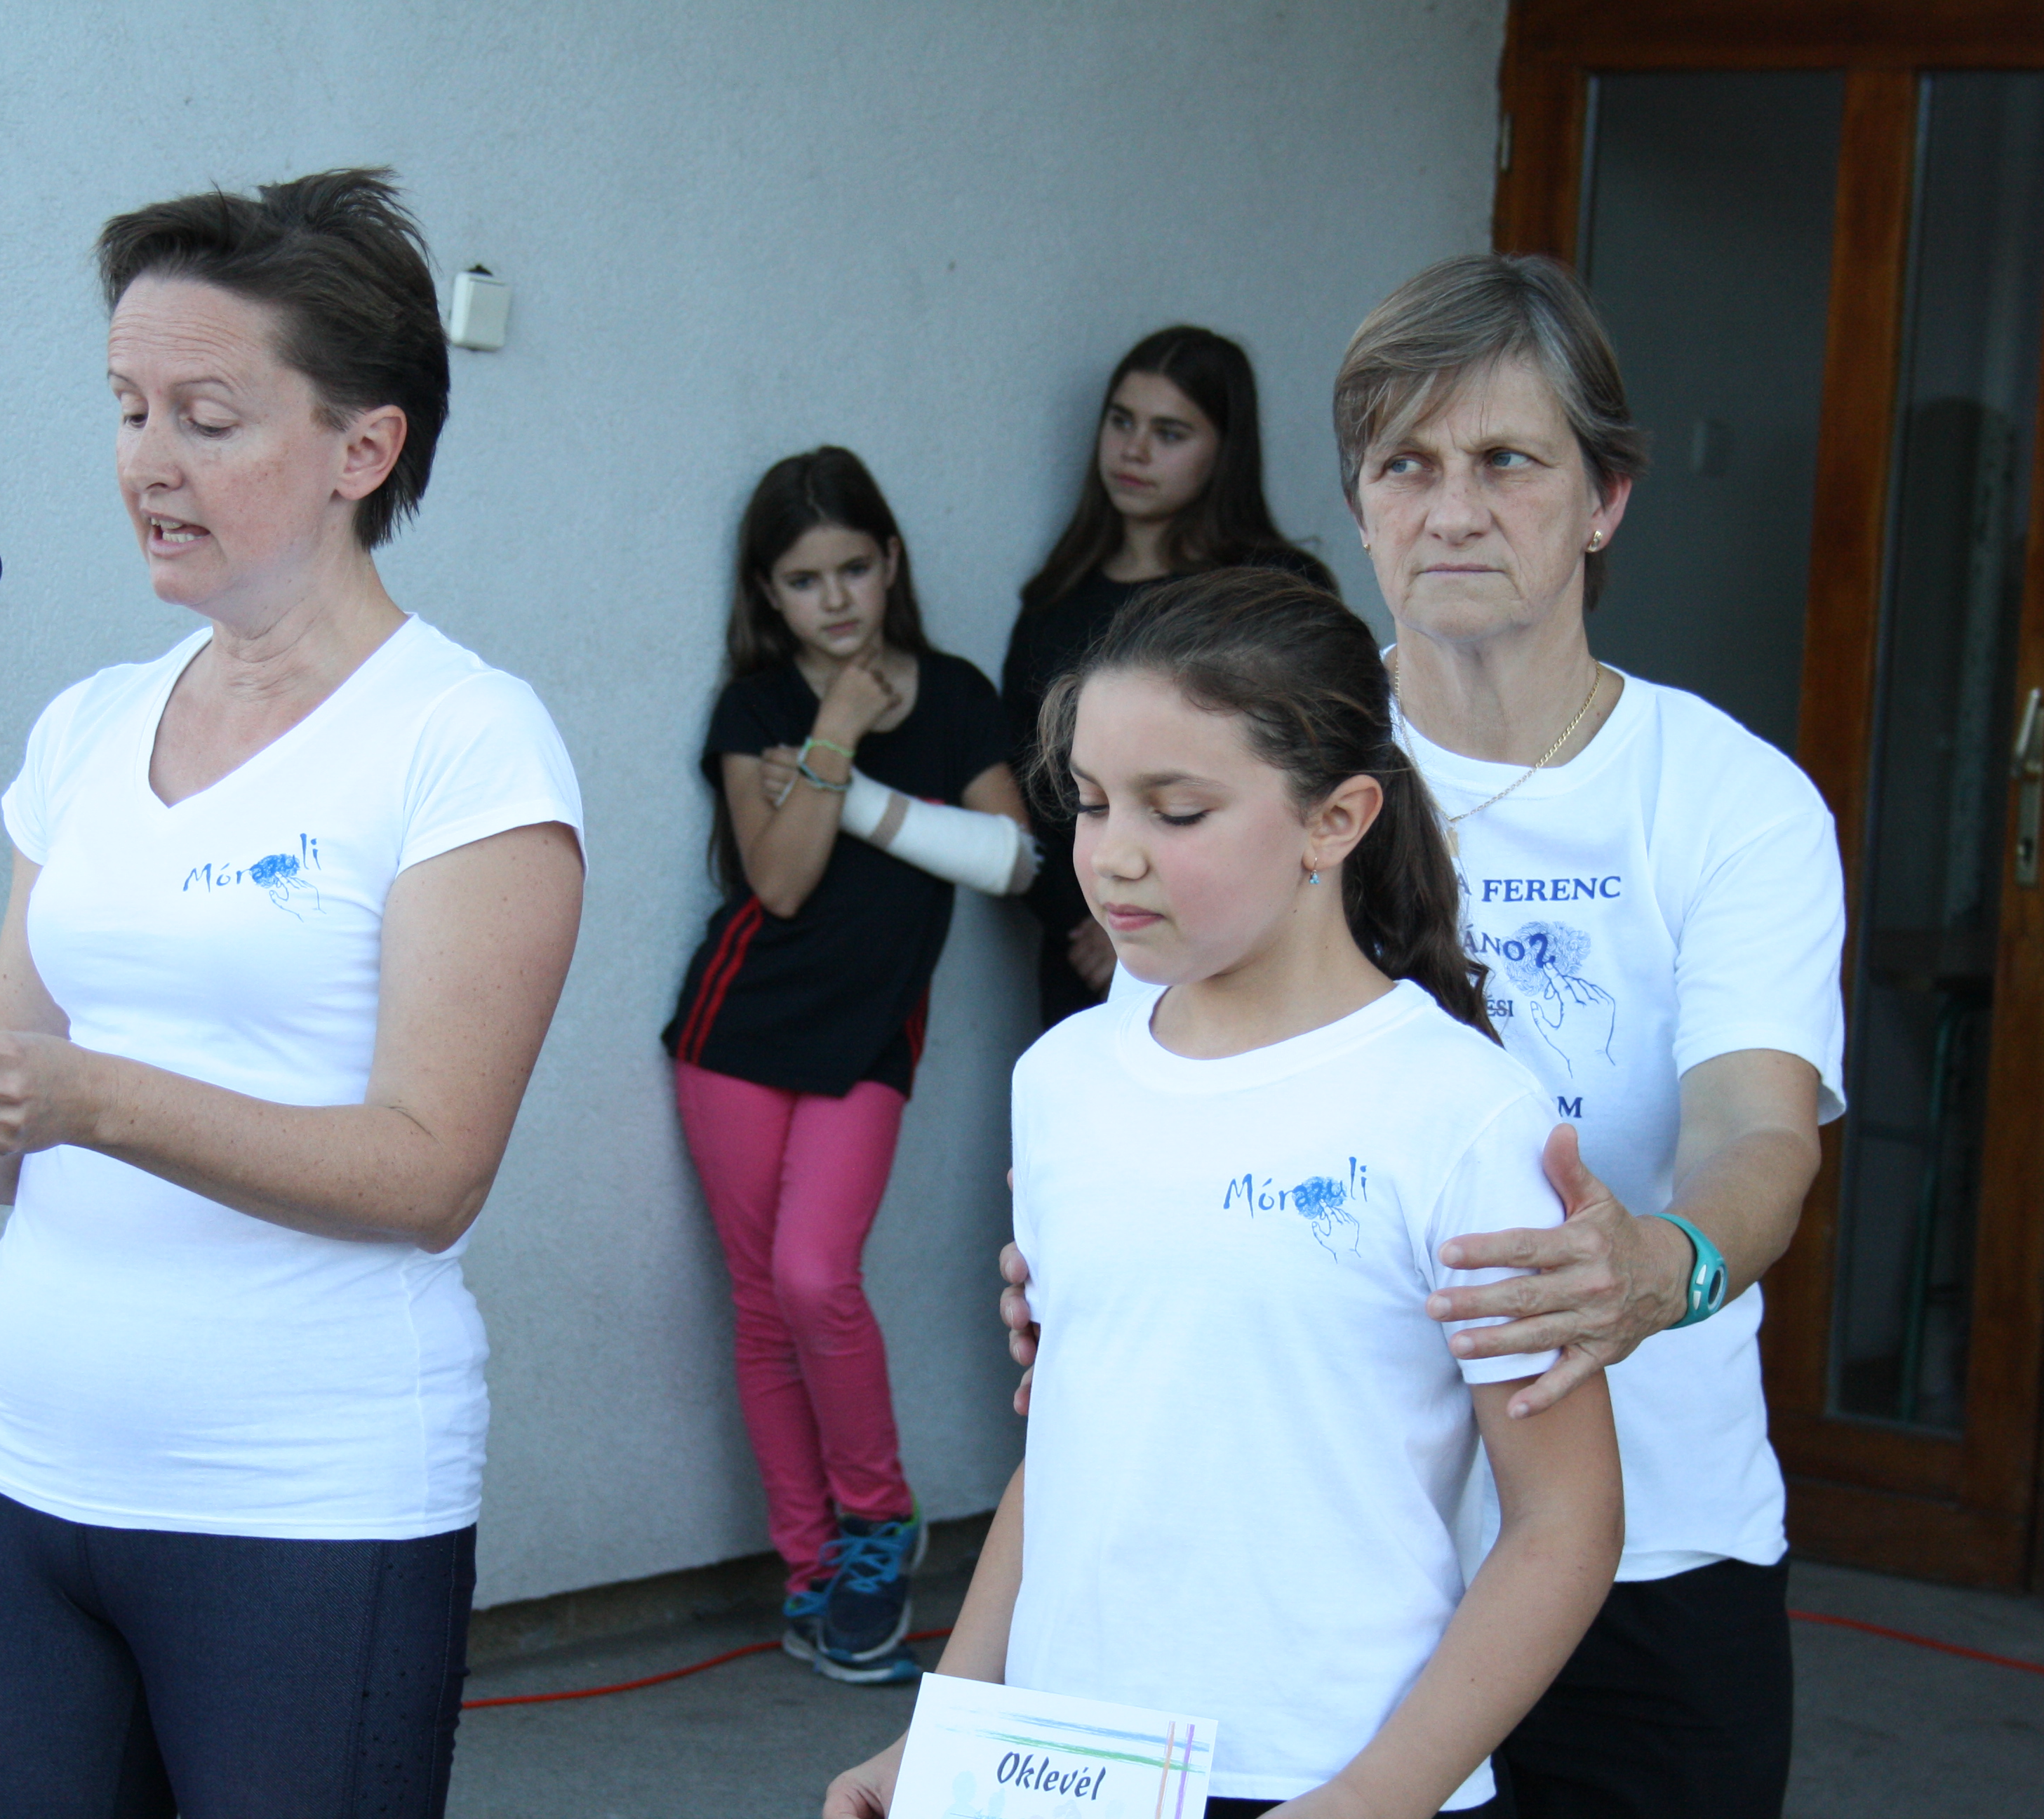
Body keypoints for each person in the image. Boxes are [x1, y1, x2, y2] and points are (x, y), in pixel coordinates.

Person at [0, 169, 581, 1819]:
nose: (148, 462)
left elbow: (429, 1170)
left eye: (207, 419)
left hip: (307, 1503)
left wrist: (98, 1098)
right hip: (15, 1470)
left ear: (362, 450)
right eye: (127, 408)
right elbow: (9, 1129)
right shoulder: (88, 725)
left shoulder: (466, 742)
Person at [1001, 255, 1843, 1818]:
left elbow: (1756, 1131)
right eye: (1405, 465)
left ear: (1604, 500)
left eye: (1506, 461)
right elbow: (1156, 1091)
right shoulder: (1256, 762)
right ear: (1360, 506)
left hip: (1650, 1544)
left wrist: (1664, 1266)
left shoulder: (1728, 798)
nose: (1452, 510)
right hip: (1316, 1581)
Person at [829, 568, 1622, 1818]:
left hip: (1328, 1778)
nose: (1113, 854)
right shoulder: (1062, 1080)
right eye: (1091, 802)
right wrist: (947, 1731)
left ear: (1335, 819)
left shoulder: (1457, 1112)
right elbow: (1071, 1451)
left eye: (1179, 809)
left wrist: (1379, 1794)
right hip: (1065, 1773)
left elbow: (1564, 1524)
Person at [662, 447, 1032, 1686]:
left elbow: (1015, 861)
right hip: (733, 1033)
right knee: (763, 1303)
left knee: (815, 1275)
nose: (834, 599)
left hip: (867, 1042)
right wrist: (830, 729)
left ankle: (877, 1524)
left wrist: (853, 785)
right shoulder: (758, 708)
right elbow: (777, 881)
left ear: (892, 564)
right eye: (803, 580)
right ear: (767, 593)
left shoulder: (957, 696)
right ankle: (810, 1568)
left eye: (853, 570)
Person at [1001, 326, 1337, 1025]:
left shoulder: (1273, 587)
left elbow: (1314, 771)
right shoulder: (1056, 602)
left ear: (1224, 451)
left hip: (1244, 945)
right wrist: (1092, 918)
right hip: (1088, 949)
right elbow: (1027, 781)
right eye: (1122, 422)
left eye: (1170, 433)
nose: (1135, 450)